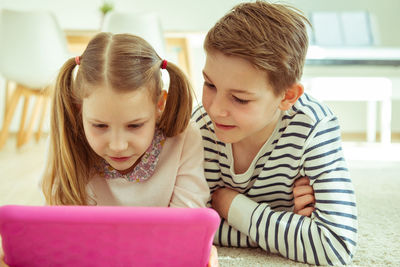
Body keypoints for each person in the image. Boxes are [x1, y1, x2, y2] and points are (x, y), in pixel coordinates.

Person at [0, 32, 218, 266]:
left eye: (135, 125)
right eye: (100, 126)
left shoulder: (185, 136)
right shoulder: (67, 137)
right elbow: (59, 228)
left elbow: (185, 230)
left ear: (159, 105)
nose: (117, 145)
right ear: (78, 109)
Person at [192, 1, 357, 265]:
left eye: (240, 99)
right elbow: (187, 228)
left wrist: (233, 207)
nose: (215, 109)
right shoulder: (199, 127)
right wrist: (288, 223)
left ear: (287, 96)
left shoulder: (314, 127)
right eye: (209, 84)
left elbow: (336, 244)